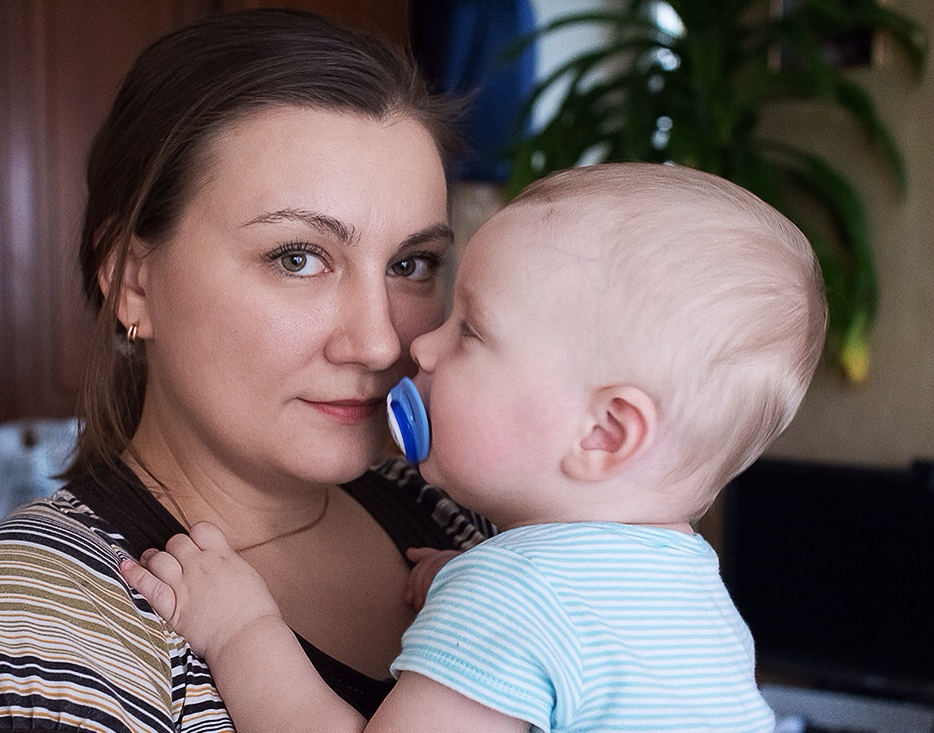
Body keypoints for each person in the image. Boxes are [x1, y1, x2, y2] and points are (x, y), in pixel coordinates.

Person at [0, 8, 492, 731]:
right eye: (297, 258)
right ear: (134, 282)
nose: (381, 344)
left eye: (411, 264)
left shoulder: (462, 520)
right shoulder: (37, 617)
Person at [123, 162, 828, 732]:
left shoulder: (512, 594)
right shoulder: (695, 598)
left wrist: (242, 630)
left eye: (472, 332)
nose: (417, 346)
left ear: (604, 433)